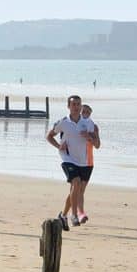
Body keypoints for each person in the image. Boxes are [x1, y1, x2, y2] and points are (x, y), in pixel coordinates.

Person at [46, 95, 98, 230]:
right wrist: (58, 146)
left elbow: (97, 144)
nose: (76, 107)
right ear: (68, 107)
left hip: (84, 161)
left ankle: (63, 215)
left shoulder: (88, 123)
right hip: (68, 158)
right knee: (75, 182)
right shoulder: (63, 122)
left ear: (81, 106)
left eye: (78, 104)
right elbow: (49, 136)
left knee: (75, 190)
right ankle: (74, 215)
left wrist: (89, 137)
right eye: (73, 104)